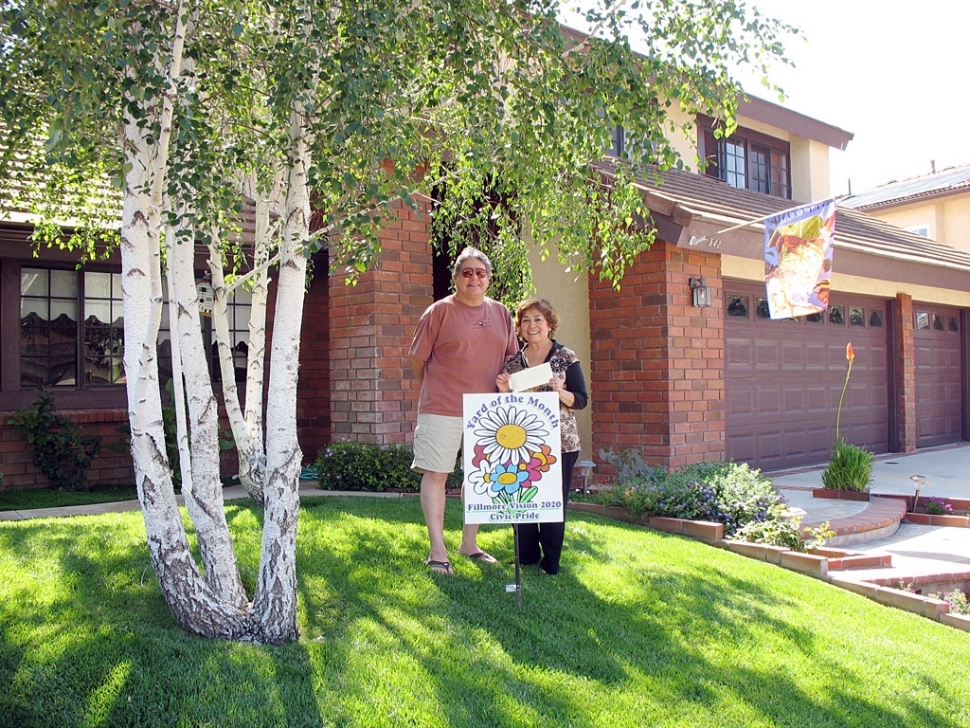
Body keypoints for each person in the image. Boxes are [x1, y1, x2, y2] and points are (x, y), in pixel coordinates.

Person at [408, 246, 519, 574]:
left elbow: (511, 359)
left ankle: (469, 544)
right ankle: (437, 551)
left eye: (480, 273)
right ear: (456, 277)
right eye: (466, 272)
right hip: (442, 408)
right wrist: (435, 387)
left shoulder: (501, 312)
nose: (473, 278)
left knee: (481, 478)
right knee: (437, 474)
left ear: (488, 279)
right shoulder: (438, 312)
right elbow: (418, 360)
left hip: (486, 411)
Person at [496, 298, 588, 575]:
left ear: (549, 325)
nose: (531, 325)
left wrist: (560, 391)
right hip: (523, 445)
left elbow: (581, 400)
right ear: (519, 327)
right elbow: (508, 407)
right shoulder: (513, 364)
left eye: (538, 319)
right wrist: (503, 392)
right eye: (526, 320)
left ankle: (550, 563)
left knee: (552, 502)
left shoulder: (565, 358)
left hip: (561, 444)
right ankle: (526, 556)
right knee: (521, 498)